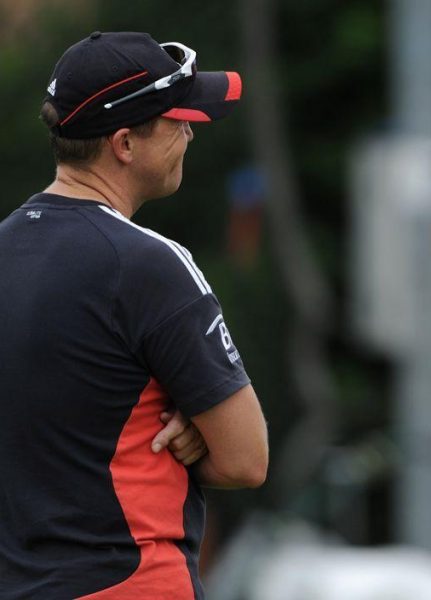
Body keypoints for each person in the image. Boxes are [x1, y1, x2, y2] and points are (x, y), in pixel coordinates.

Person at [0, 32, 268, 598]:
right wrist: (195, 428)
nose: (191, 132)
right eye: (179, 119)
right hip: (128, 581)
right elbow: (247, 459)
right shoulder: (148, 263)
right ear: (124, 143)